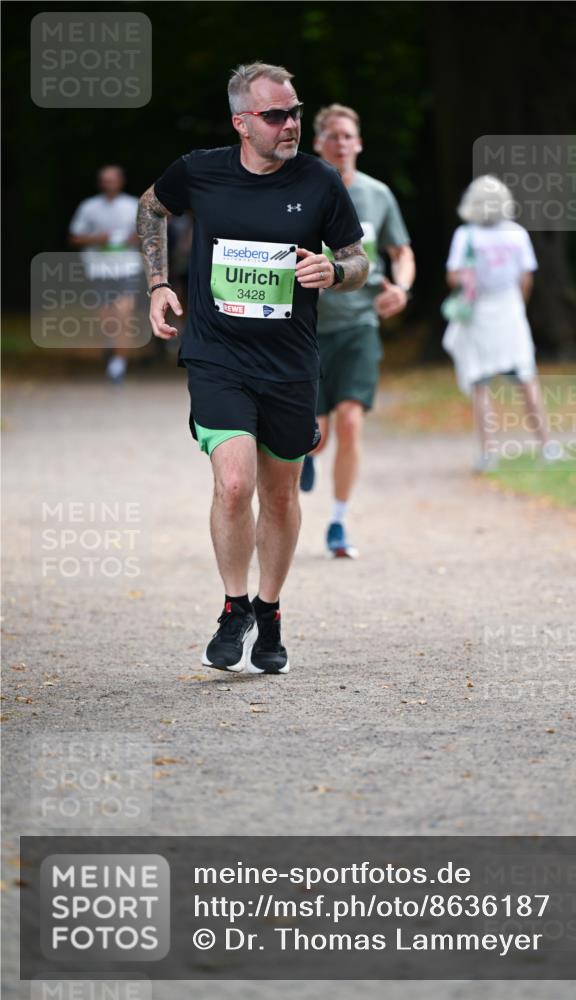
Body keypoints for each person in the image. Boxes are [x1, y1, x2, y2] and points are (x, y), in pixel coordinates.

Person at [136, 63, 368, 675]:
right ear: (242, 122)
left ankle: (270, 611)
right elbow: (151, 206)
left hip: (290, 363)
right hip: (218, 357)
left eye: (294, 112)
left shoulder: (319, 181)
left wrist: (334, 272)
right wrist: (158, 283)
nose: (290, 124)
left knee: (280, 492)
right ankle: (235, 606)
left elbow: (357, 259)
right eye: (275, 115)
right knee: (234, 484)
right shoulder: (201, 171)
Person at [300, 104, 415, 558]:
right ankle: (308, 453)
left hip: (359, 325)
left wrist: (402, 289)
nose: (341, 144)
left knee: (350, 421)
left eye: (349, 136)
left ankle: (339, 523)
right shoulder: (300, 192)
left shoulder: (378, 195)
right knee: (318, 432)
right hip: (307, 327)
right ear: (318, 144)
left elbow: (401, 251)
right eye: (332, 137)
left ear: (359, 143)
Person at [442, 174, 553, 472]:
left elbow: (453, 275)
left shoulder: (466, 235)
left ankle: (489, 451)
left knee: (481, 383)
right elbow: (526, 278)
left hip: (478, 312)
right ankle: (546, 444)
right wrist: (518, 305)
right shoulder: (517, 234)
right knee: (527, 378)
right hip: (510, 310)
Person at [69, 165, 142, 383]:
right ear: (100, 183)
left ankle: (118, 364)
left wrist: (135, 238)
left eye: (113, 179)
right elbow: (74, 237)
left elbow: (148, 232)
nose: (109, 183)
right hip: (98, 268)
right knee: (106, 317)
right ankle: (112, 343)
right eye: (105, 180)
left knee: (124, 314)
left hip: (127, 267)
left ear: (121, 181)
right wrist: (96, 239)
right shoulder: (89, 207)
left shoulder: (133, 205)